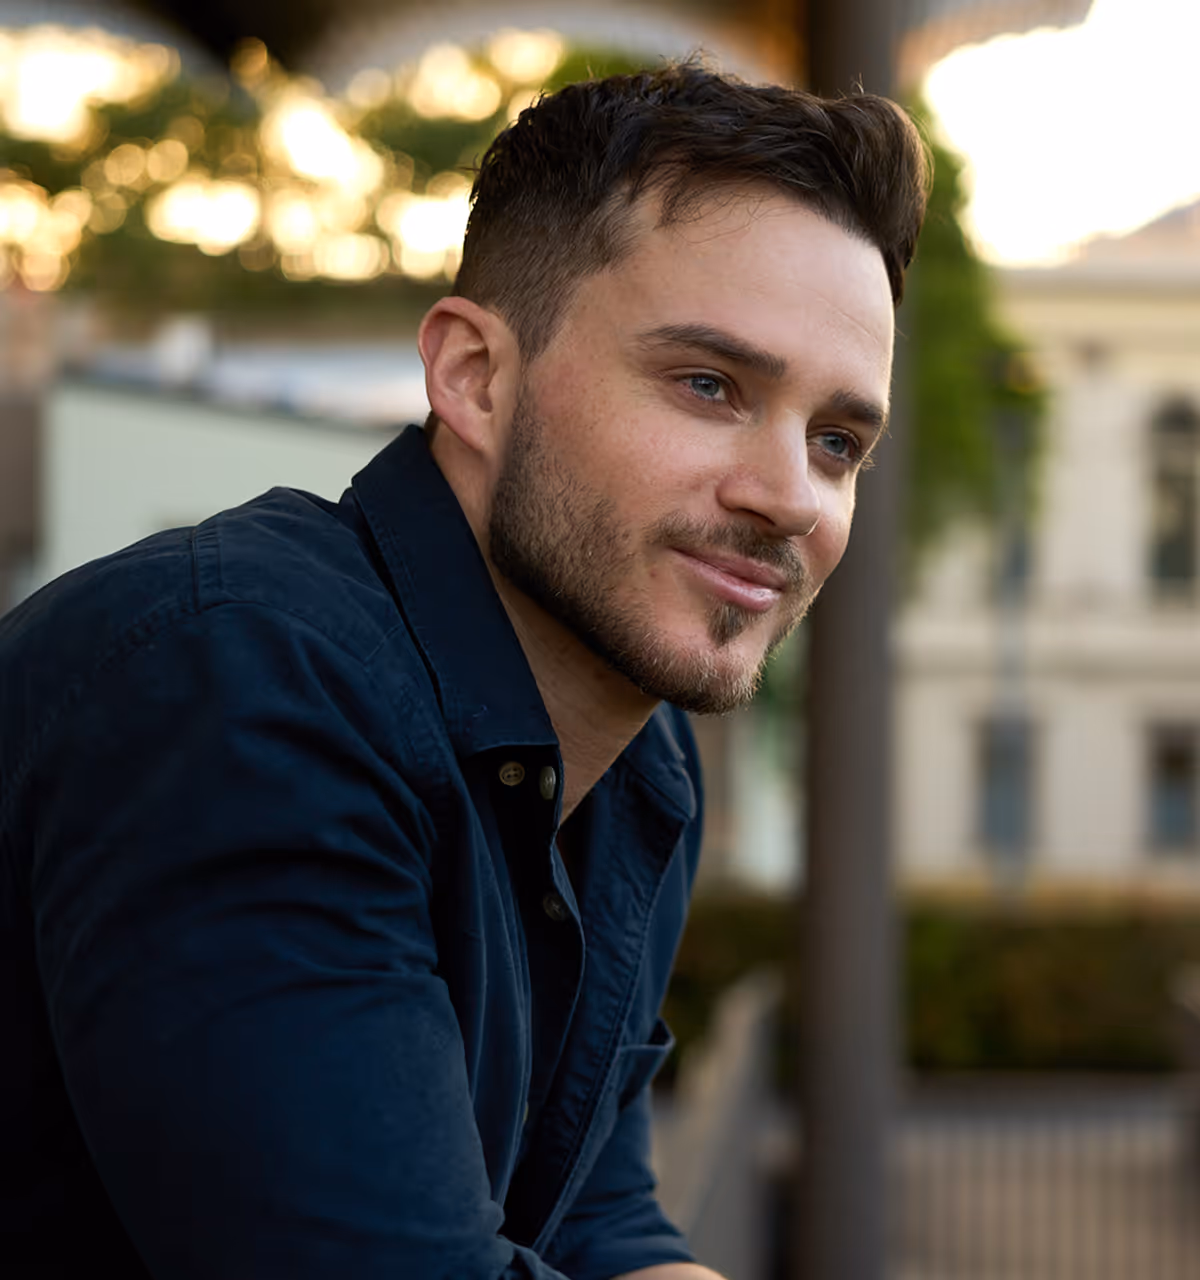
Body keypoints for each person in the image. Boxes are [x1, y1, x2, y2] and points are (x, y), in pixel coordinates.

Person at [0, 63, 927, 1279]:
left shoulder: (630, 767)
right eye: (710, 385)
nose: (788, 495)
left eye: (837, 440)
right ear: (474, 377)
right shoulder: (242, 685)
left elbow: (592, 1215)